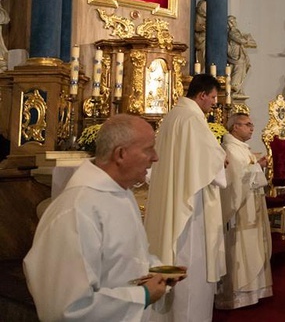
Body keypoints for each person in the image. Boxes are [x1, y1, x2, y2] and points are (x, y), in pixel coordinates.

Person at [24, 114, 182, 321]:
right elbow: (67, 307)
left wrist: (157, 271)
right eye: (148, 149)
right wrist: (142, 295)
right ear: (121, 154)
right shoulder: (76, 210)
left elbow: (121, 257)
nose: (155, 157)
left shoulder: (120, 194)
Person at [145, 74, 228, 322]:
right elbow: (210, 162)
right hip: (192, 204)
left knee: (176, 255)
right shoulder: (192, 118)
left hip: (176, 194)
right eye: (213, 97)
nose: (214, 102)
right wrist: (222, 160)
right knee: (192, 267)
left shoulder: (173, 115)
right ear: (201, 95)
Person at [215, 112, 273, 309]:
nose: (252, 128)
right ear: (235, 127)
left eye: (251, 124)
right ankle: (238, 294)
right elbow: (235, 180)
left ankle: (254, 290)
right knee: (242, 248)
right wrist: (257, 166)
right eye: (247, 124)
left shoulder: (242, 148)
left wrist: (257, 166)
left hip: (251, 205)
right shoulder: (230, 149)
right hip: (239, 210)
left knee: (253, 246)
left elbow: (248, 174)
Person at [227, 15, 257, 96]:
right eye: (233, 21)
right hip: (236, 56)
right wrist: (247, 41)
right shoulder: (232, 32)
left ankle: (237, 89)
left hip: (240, 56)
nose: (235, 23)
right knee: (238, 72)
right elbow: (240, 40)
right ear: (230, 23)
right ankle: (234, 90)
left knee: (241, 72)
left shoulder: (236, 31)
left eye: (234, 21)